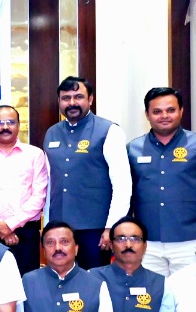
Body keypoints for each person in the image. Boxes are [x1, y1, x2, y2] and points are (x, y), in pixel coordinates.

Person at [128, 87, 196, 276]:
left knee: (189, 293)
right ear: (147, 115)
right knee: (151, 294)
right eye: (157, 111)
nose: (164, 116)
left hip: (190, 241)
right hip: (147, 243)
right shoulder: (132, 149)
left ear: (181, 111)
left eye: (171, 110)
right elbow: (126, 195)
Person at [44, 77, 131, 269]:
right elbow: (51, 184)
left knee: (94, 280)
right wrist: (47, 225)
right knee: (62, 279)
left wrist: (112, 227)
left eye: (78, 97)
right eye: (66, 98)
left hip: (96, 229)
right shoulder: (51, 133)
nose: (72, 103)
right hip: (60, 228)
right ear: (59, 101)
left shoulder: (109, 131)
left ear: (90, 99)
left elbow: (122, 184)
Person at [0, 105, 49, 274]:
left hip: (25, 234)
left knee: (26, 282)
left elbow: (39, 196)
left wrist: (10, 225)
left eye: (11, 122)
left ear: (19, 125)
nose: (5, 127)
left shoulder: (35, 154)